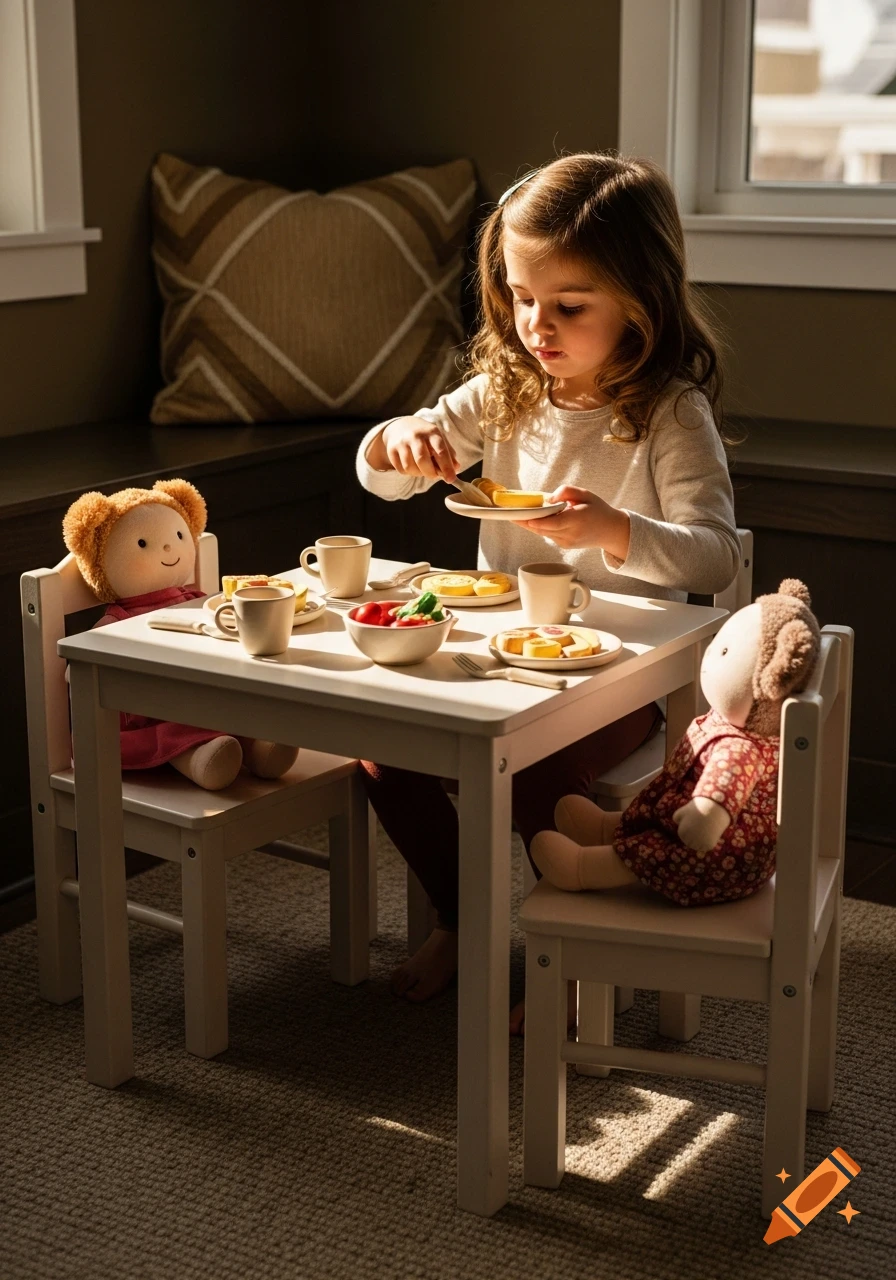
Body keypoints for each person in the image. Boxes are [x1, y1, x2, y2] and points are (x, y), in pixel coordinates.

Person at [354, 152, 740, 1031]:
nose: (537, 324)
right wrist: (398, 441)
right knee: (383, 748)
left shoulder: (670, 415)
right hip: (504, 657)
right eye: (521, 298)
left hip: (628, 682)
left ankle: (569, 956)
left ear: (640, 302)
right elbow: (383, 477)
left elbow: (715, 557)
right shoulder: (506, 394)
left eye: (569, 306)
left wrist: (614, 531)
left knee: (531, 768)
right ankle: (463, 920)